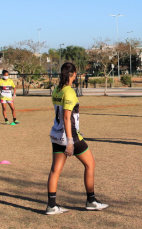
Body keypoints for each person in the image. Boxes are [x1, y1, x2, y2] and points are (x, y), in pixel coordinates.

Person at [46, 62, 108, 215]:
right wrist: (70, 142)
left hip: (56, 134)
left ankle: (51, 206)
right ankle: (91, 201)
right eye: (75, 73)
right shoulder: (69, 92)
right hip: (70, 136)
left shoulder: (56, 90)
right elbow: (67, 117)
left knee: (55, 170)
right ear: (72, 74)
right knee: (90, 164)